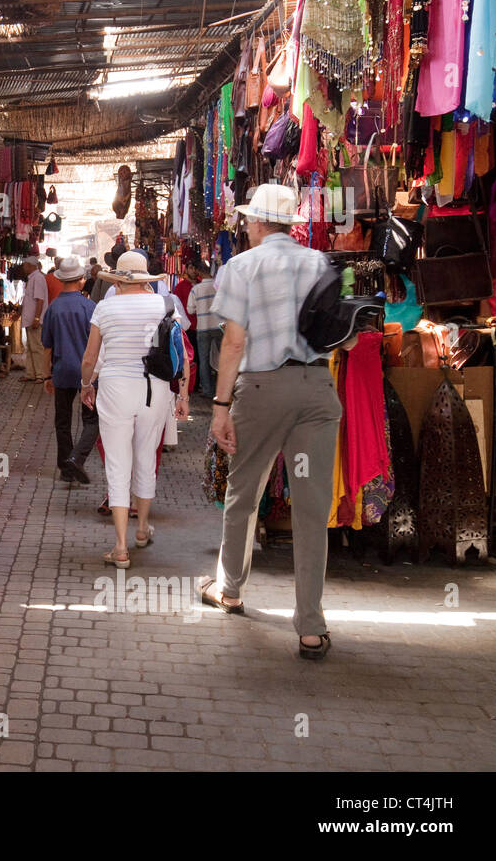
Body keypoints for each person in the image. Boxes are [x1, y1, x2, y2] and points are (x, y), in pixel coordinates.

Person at [198, 184, 343, 660]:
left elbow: (234, 343)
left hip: (261, 392)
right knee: (310, 507)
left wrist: (220, 407)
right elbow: (345, 337)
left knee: (245, 493)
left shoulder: (241, 266)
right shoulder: (321, 264)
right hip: (317, 392)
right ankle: (310, 626)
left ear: (257, 223)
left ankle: (231, 590)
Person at [80, 251, 189, 569]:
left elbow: (90, 357)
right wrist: (182, 395)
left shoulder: (105, 307)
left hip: (115, 389)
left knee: (117, 463)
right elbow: (180, 354)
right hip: (154, 391)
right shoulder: (165, 305)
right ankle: (141, 529)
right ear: (144, 279)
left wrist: (86, 385)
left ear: (118, 280)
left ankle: (120, 546)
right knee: (145, 457)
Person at [40, 257, 96, 483]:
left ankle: (66, 467)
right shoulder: (90, 307)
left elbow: (47, 348)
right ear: (81, 280)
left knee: (62, 420)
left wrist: (46, 375)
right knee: (90, 420)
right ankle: (76, 459)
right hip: (86, 373)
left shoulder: (53, 308)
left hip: (61, 371)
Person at [188, 261, 220, 398]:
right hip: (219, 326)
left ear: (200, 273)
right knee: (223, 357)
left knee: (204, 359)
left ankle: (207, 390)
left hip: (203, 327)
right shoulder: (218, 286)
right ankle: (224, 388)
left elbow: (190, 310)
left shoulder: (196, 289)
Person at [19, 255, 50, 382]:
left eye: (25, 265)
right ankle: (31, 373)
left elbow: (40, 300)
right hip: (30, 319)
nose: (23, 268)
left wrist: (37, 318)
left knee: (37, 347)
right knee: (31, 347)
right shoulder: (32, 278)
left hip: (34, 320)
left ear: (30, 266)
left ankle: (41, 374)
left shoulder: (38, 278)